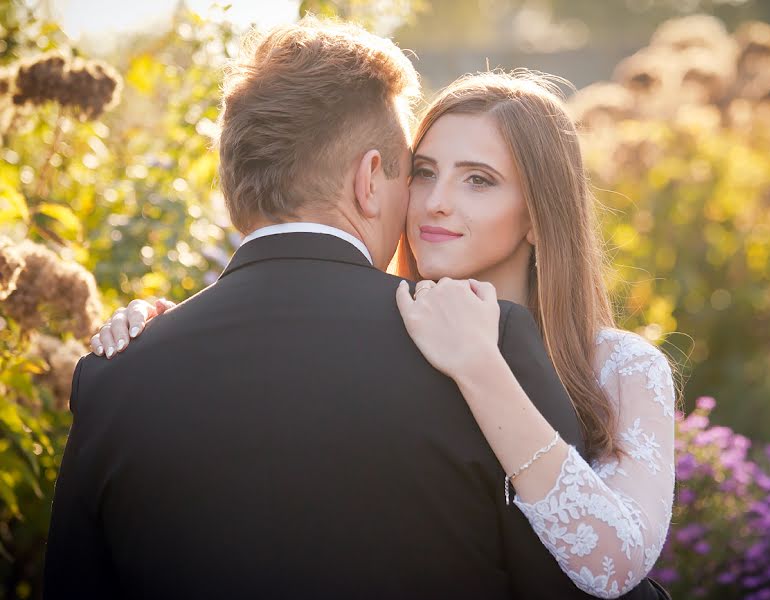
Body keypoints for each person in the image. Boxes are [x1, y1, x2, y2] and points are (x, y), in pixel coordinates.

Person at [44, 17, 670, 600]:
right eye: (421, 172)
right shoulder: (132, 357)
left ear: (539, 214)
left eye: (478, 179)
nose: (435, 203)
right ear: (375, 181)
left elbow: (608, 571)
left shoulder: (588, 361)